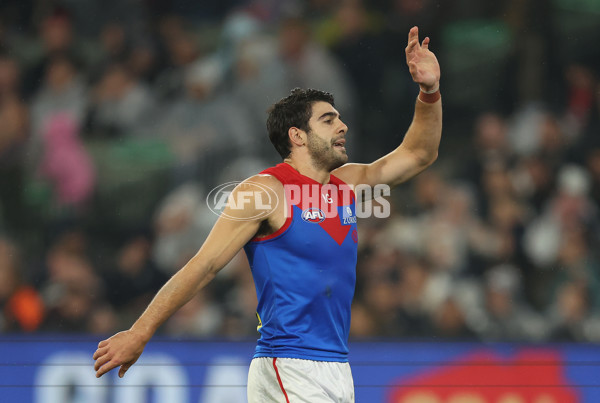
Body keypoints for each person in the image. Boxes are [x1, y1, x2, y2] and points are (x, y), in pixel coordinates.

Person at [93, 26, 442, 402]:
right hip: (288, 364)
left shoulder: (350, 182)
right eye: (328, 120)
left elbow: (418, 154)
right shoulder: (263, 192)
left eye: (339, 118)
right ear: (297, 136)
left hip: (338, 366)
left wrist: (429, 92)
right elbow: (204, 265)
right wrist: (140, 332)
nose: (342, 126)